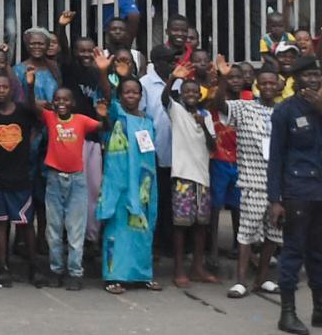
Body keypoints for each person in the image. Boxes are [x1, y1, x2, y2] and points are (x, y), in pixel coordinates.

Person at [0, 68, 45, 288]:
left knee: (25, 224)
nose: (1, 90)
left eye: (5, 87)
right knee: (0, 223)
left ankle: (34, 267)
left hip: (20, 177)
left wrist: (30, 86)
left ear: (12, 89)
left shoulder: (23, 111)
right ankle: (2, 267)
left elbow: (37, 118)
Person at [267, 55, 322, 334]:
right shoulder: (285, 111)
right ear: (296, 79)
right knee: (293, 252)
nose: (313, 80)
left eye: (317, 75)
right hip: (296, 191)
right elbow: (275, 158)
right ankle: (287, 314)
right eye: (308, 75)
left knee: (318, 253)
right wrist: (275, 199)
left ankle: (319, 309)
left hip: (319, 192)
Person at [221, 63, 282, 299]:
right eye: (263, 83)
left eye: (271, 83)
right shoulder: (244, 107)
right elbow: (219, 106)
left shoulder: (283, 111)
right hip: (252, 181)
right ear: (256, 85)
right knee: (247, 232)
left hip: (278, 183)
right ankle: (240, 281)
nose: (267, 86)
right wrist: (224, 79)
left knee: (274, 234)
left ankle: (262, 278)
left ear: (278, 85)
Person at [97, 74, 162, 294]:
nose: (131, 95)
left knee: (143, 230)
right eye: (127, 92)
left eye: (135, 92)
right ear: (120, 95)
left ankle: (142, 275)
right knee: (118, 229)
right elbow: (107, 94)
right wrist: (105, 73)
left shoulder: (148, 120)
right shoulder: (117, 114)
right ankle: (113, 276)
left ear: (141, 96)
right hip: (120, 184)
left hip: (143, 184)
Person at [39, 83, 108, 289]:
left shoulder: (81, 120)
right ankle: (56, 269)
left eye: (66, 99)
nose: (61, 103)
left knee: (75, 228)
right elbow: (30, 106)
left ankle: (75, 272)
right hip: (54, 179)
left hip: (77, 180)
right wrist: (32, 84)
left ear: (73, 103)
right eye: (57, 99)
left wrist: (103, 115)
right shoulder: (50, 118)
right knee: (53, 228)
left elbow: (103, 127)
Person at [163, 62, 217, 288]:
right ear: (182, 95)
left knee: (200, 225)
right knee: (181, 225)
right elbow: (164, 98)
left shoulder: (206, 115)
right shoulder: (176, 111)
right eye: (187, 92)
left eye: (195, 92)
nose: (191, 95)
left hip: (202, 178)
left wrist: (203, 125)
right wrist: (172, 78)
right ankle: (179, 270)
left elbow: (212, 146)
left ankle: (197, 267)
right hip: (183, 177)